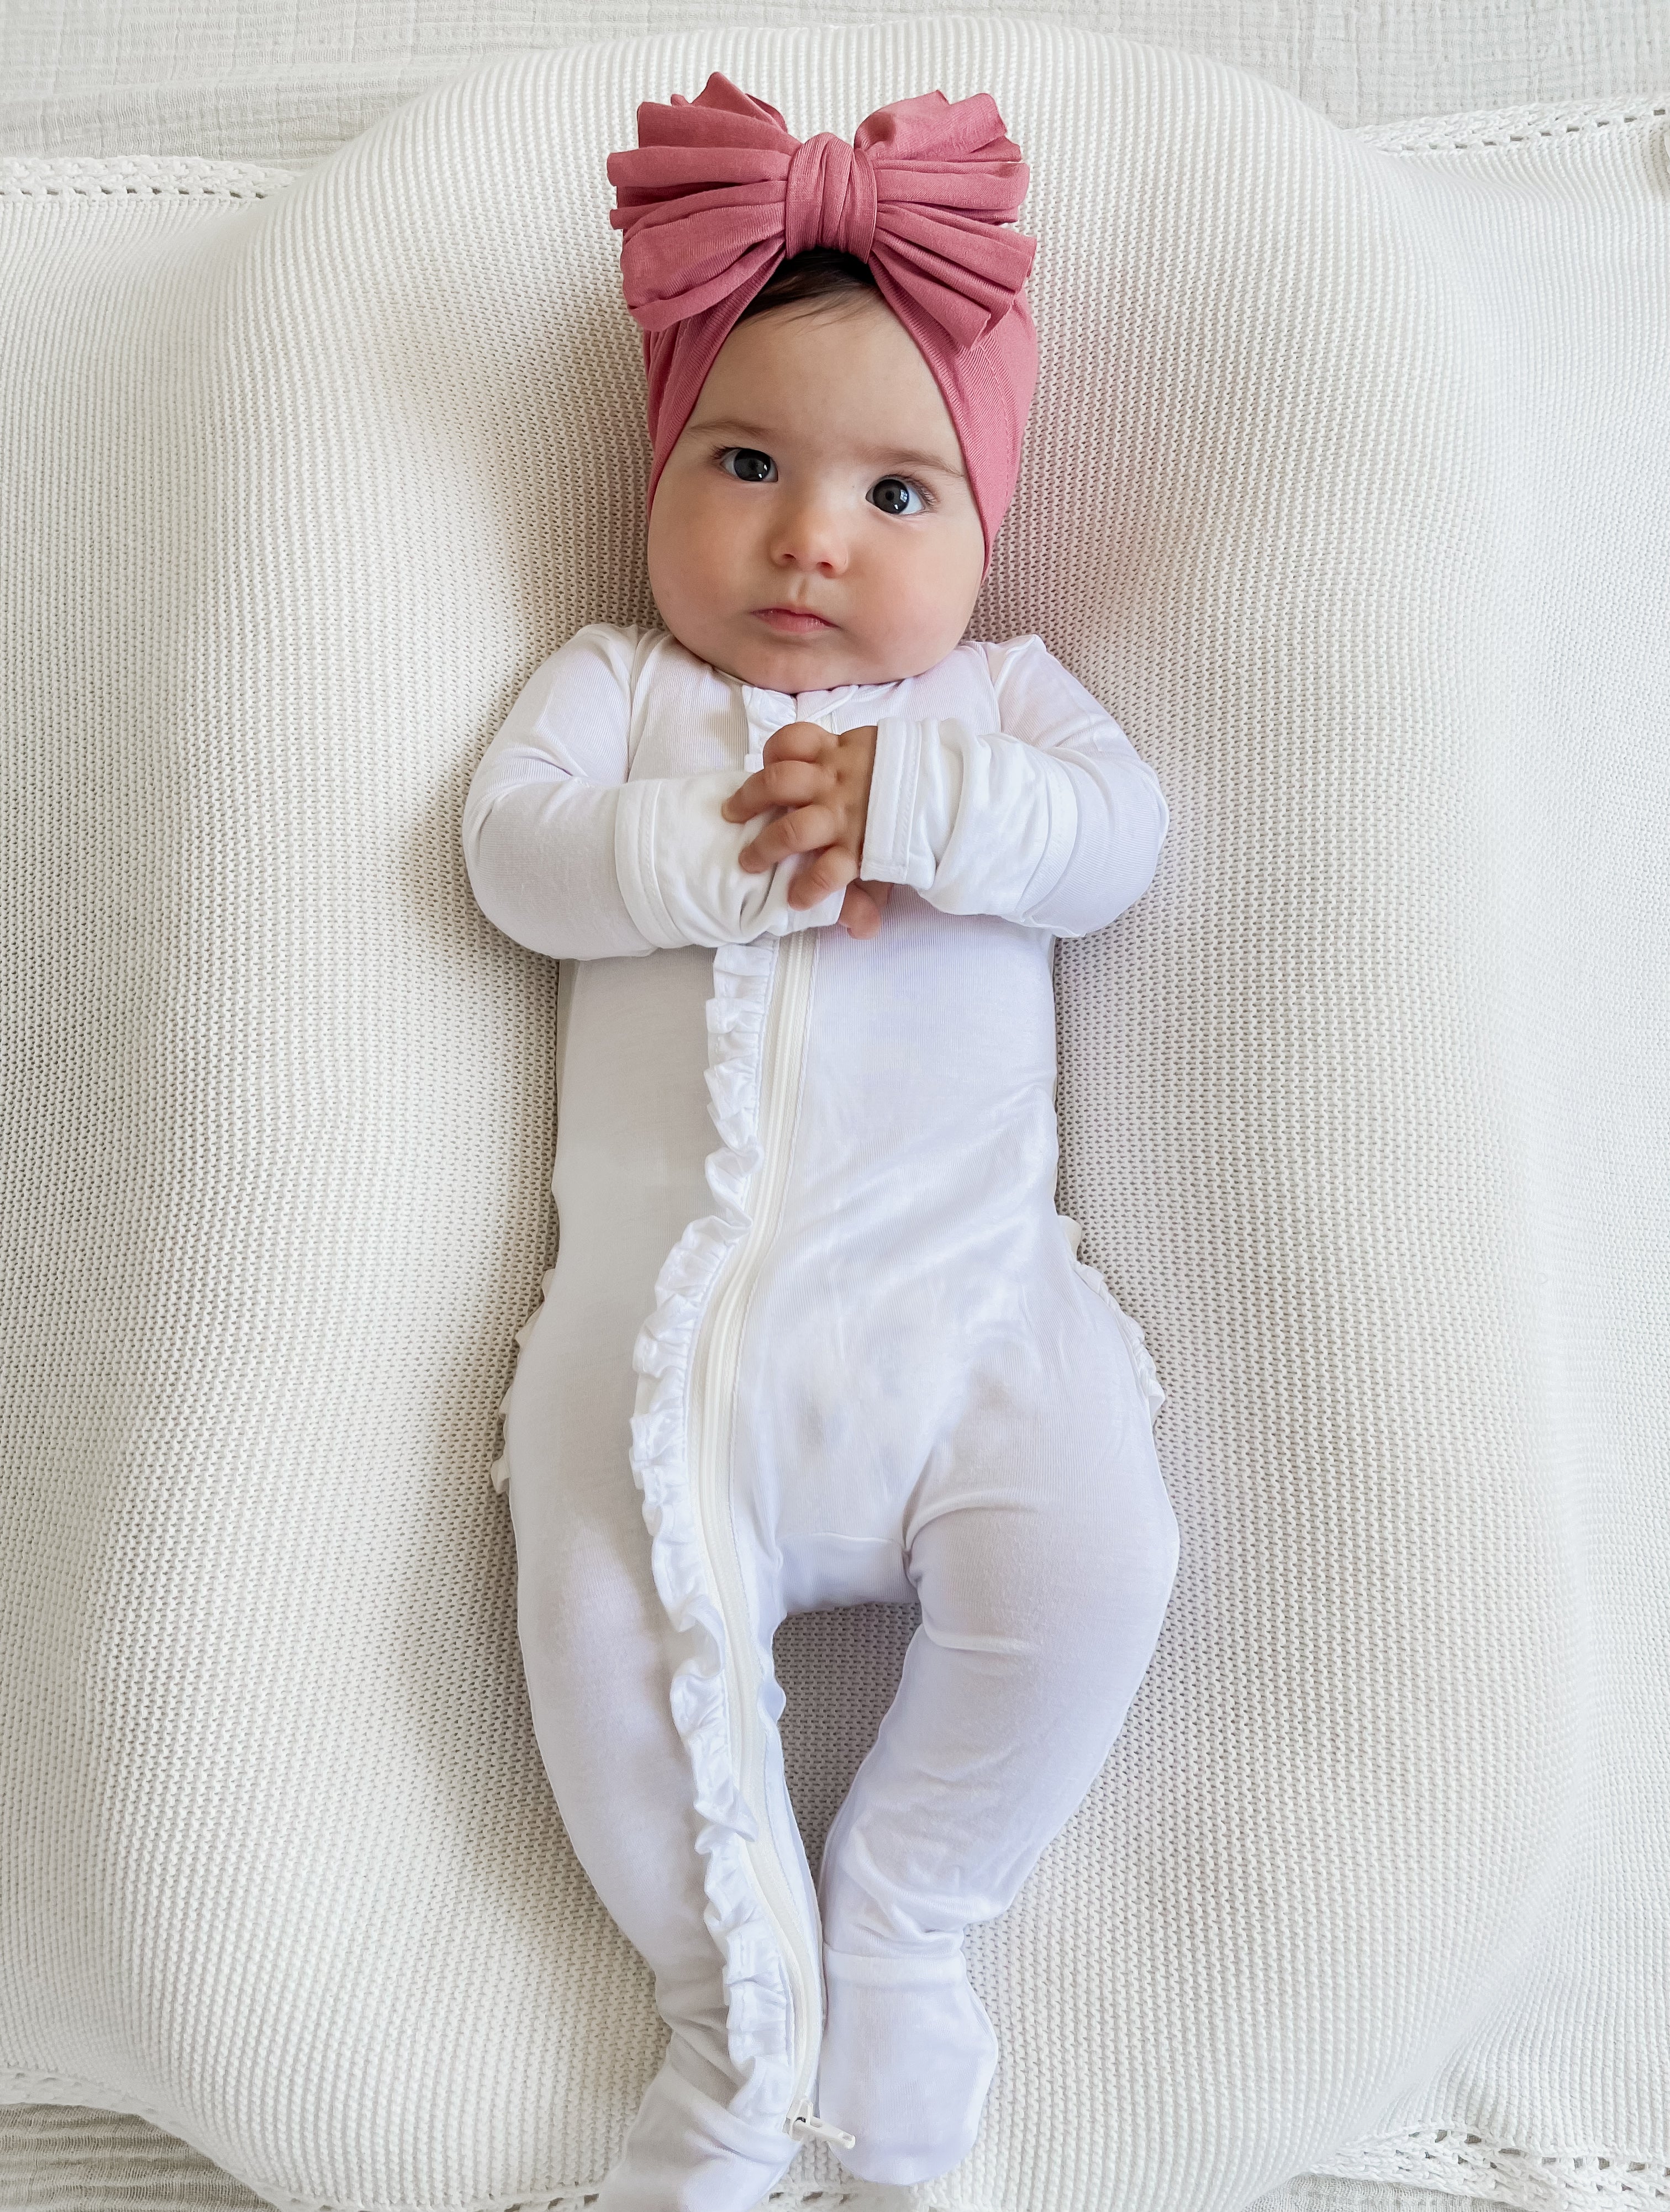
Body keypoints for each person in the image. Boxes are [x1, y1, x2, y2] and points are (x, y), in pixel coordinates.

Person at [461, 71, 1180, 2212]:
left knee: (1102, 1552)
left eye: (898, 493)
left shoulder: (1001, 712)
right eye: (747, 464)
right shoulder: (614, 695)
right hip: (666, 1364)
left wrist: (926, 816)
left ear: (985, 531)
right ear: (656, 469)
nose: (809, 539)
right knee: (594, 1609)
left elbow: (1115, 848)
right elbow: (513, 861)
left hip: (969, 1315)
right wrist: (719, 850)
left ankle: (908, 1917)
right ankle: (728, 2035)